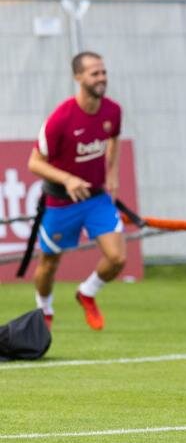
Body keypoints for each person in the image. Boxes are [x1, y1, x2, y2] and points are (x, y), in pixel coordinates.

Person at [27, 51, 126, 331]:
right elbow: (34, 163)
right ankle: (44, 309)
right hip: (61, 202)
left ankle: (87, 292)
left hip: (96, 199)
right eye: (95, 73)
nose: (101, 78)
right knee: (49, 264)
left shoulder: (113, 111)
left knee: (117, 258)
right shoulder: (60, 119)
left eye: (103, 72)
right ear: (78, 77)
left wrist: (112, 174)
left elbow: (114, 138)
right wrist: (68, 180)